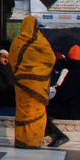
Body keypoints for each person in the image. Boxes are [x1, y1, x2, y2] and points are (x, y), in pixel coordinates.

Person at [10, 16, 58, 149]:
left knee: (23, 110)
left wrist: (22, 72)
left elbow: (12, 60)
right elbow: (51, 59)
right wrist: (39, 72)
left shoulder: (17, 42)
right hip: (38, 84)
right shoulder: (41, 42)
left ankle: (23, 140)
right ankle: (34, 141)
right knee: (37, 112)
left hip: (22, 83)